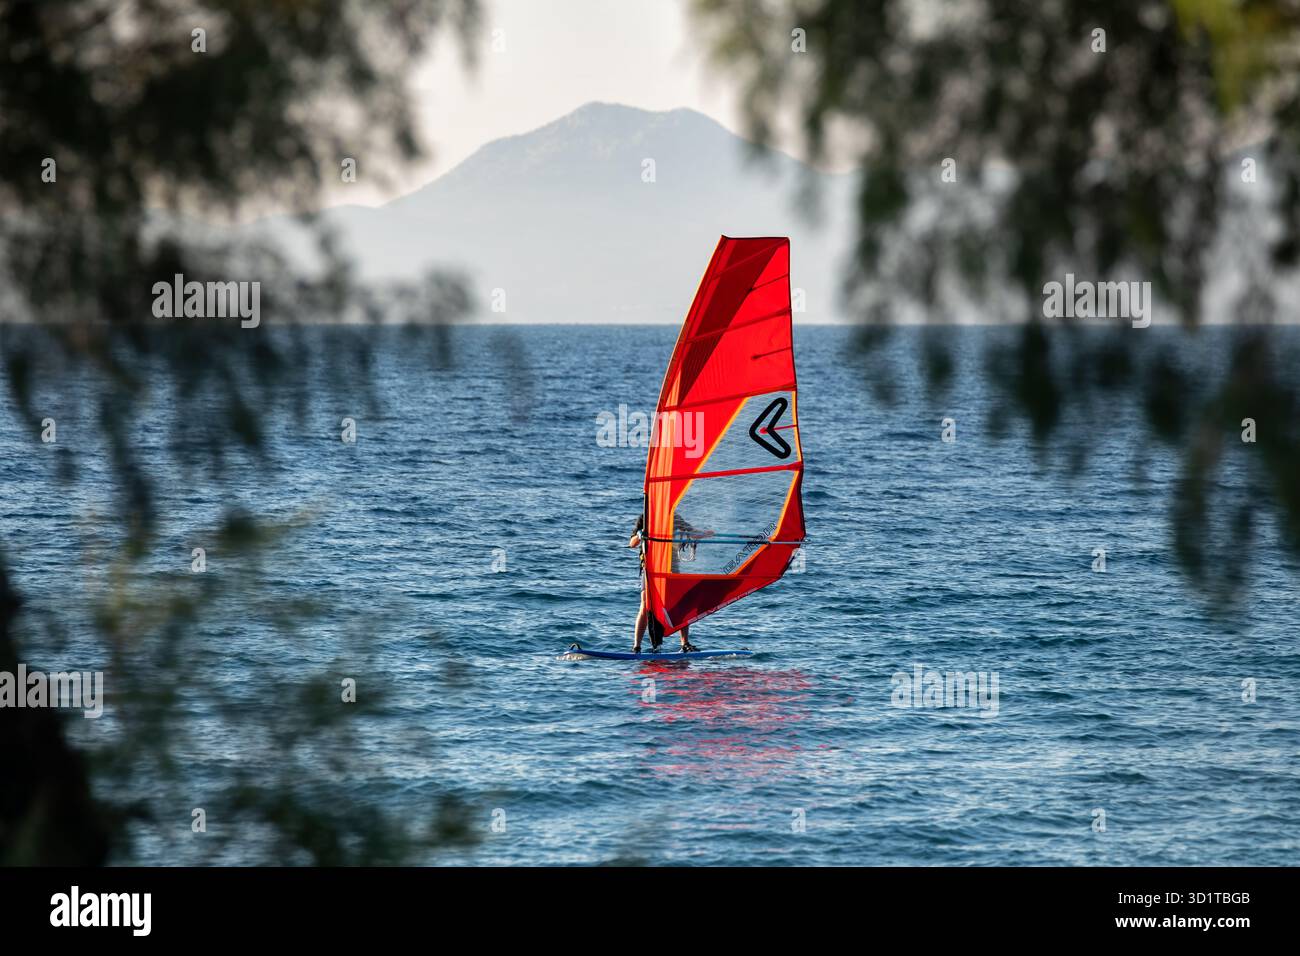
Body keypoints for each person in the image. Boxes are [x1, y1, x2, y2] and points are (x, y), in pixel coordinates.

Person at [629, 515, 696, 653]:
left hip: (672, 569)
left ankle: (685, 644)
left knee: (682, 605)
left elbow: (692, 532)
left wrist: (707, 534)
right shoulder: (645, 516)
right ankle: (636, 647)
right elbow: (632, 543)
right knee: (645, 606)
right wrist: (640, 535)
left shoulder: (675, 517)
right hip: (650, 570)